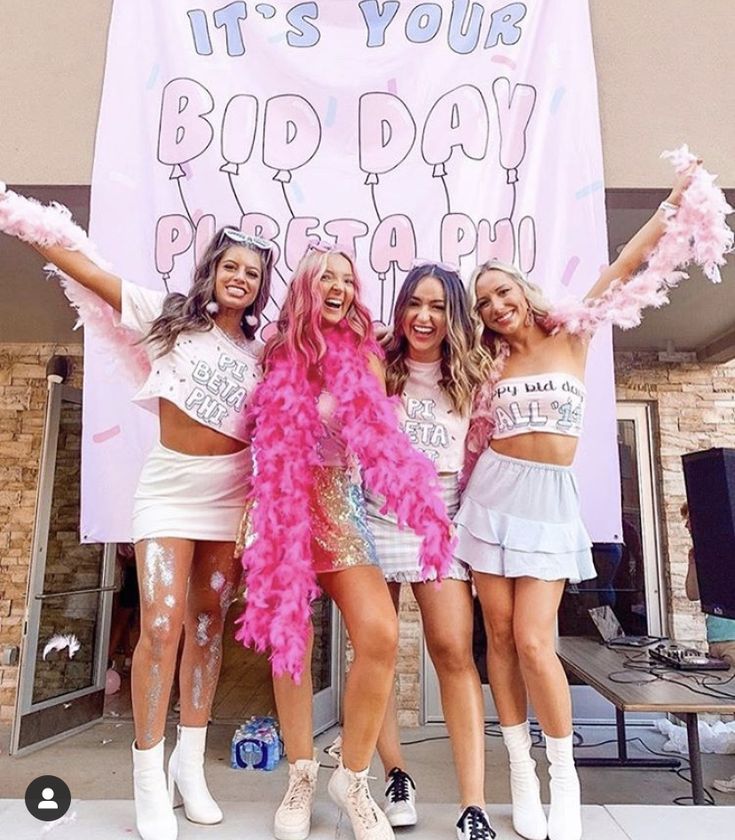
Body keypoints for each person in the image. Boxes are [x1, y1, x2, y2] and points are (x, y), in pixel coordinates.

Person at [0, 187, 273, 840]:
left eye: (254, 273)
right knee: (161, 622)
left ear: (261, 289)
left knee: (208, 626)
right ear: (213, 271)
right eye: (232, 265)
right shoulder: (167, 317)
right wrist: (19, 219)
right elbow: (86, 270)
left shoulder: (261, 356)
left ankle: (189, 765)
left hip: (229, 497)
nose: (241, 277)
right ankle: (147, 774)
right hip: (170, 492)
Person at [454, 159, 701, 840]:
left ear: (522, 292)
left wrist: (673, 202)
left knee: (537, 640)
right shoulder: (487, 363)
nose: (495, 307)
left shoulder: (573, 334)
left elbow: (624, 263)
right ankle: (520, 776)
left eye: (501, 292)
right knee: (497, 640)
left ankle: (562, 775)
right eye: (484, 303)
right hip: (491, 495)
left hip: (546, 502)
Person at [236, 242, 454, 840]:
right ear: (307, 286)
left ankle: (352, 776)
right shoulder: (272, 352)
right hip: (282, 509)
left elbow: (381, 429)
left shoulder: (364, 353)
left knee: (380, 634)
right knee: (292, 643)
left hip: (338, 505)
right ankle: (301, 775)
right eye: (326, 278)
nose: (339, 287)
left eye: (347, 280)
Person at [367, 263, 493, 839]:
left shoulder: (473, 373)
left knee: (452, 649)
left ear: (455, 315)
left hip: (440, 511)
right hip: (376, 508)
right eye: (414, 304)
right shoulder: (376, 364)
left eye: (438, 306)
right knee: (377, 650)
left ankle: (474, 805)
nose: (423, 316)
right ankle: (396, 774)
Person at [683, 501, 735, 665]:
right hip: (715, 640)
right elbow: (693, 594)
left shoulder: (727, 548)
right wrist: (693, 563)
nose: (686, 525)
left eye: (690, 519)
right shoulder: (702, 554)